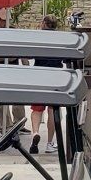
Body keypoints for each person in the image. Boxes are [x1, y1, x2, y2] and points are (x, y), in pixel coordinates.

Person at [28, 15, 65, 153]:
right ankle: (49, 143)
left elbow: (30, 55)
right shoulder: (60, 39)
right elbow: (65, 58)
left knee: (37, 109)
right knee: (53, 110)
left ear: (44, 23)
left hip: (39, 76)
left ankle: (35, 133)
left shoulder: (38, 38)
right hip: (55, 76)